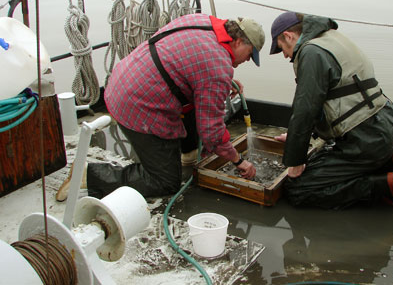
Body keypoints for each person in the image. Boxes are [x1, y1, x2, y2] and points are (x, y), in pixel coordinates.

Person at [56, 13, 264, 201]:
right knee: (165, 182)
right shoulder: (217, 67)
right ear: (237, 41)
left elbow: (191, 62)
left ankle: (188, 154)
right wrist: (238, 161)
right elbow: (212, 132)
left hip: (124, 80)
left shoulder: (203, 21)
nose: (247, 60)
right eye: (249, 54)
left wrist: (223, 82)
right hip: (136, 106)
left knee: (199, 106)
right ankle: (88, 175)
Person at [269, 12, 393, 209]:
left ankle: (381, 185)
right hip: (385, 123)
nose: (287, 56)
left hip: (365, 138)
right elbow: (335, 101)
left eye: (282, 49)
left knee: (299, 188)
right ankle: (385, 161)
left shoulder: (311, 52)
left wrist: (295, 162)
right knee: (321, 157)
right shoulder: (329, 38)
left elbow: (305, 110)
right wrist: (294, 137)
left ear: (288, 36)